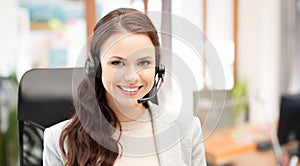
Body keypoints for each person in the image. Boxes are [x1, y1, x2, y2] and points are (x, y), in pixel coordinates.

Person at [43, 8, 206, 166]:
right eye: (117, 63)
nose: (132, 77)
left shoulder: (187, 130)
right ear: (95, 68)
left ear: (157, 68)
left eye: (144, 62)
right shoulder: (59, 140)